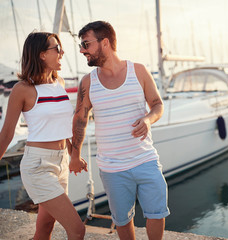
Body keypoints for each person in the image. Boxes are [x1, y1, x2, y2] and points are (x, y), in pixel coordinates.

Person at [71, 20, 170, 240]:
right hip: (111, 167)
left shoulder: (139, 71)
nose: (81, 50)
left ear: (104, 42)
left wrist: (148, 119)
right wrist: (75, 155)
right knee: (122, 219)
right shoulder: (88, 82)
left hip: (145, 159)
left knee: (156, 212)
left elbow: (157, 104)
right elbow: (80, 120)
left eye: (86, 44)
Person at [0, 32, 87, 240]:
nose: (62, 52)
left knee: (46, 226)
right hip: (38, 165)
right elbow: (7, 133)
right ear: (41, 55)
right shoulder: (22, 89)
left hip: (61, 163)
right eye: (57, 49)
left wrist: (73, 155)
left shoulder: (60, 83)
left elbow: (63, 127)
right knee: (77, 229)